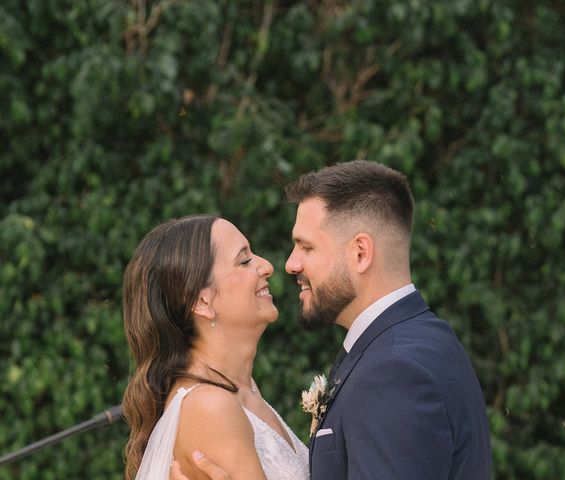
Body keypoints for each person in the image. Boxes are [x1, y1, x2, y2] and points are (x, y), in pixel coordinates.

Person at [174, 160, 492, 479]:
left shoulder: (393, 373)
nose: (289, 264)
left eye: (306, 247)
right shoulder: (423, 340)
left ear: (360, 253)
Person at [122, 214, 309, 480]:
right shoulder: (210, 405)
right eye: (244, 261)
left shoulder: (242, 388)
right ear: (202, 301)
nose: (266, 266)